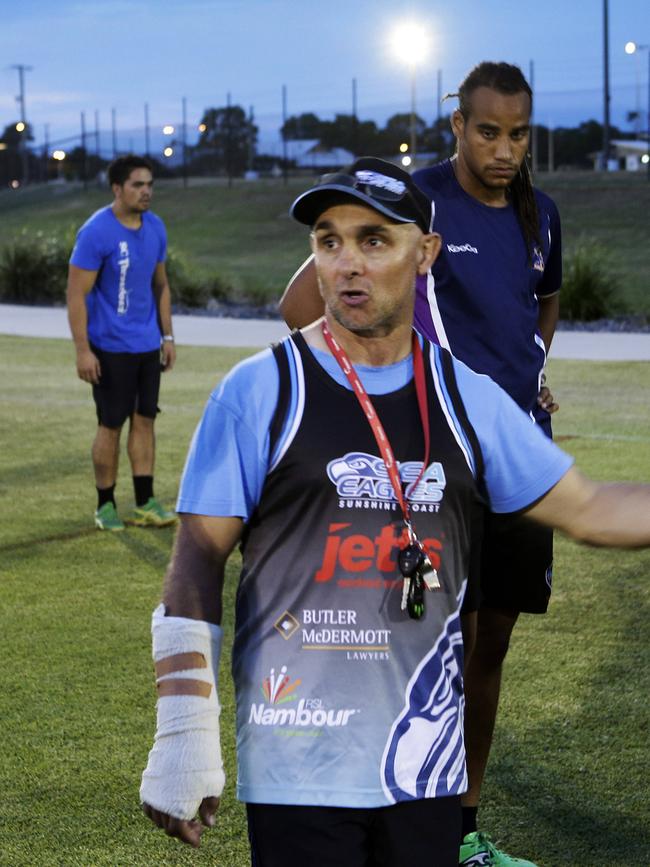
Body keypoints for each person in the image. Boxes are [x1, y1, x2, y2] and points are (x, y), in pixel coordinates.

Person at [140, 159, 650, 867]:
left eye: (374, 240)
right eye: (329, 240)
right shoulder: (260, 390)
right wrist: (184, 730)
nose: (347, 263)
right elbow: (196, 560)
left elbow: (593, 509)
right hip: (298, 762)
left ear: (425, 253)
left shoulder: (464, 395)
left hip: (425, 768)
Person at [279, 63, 561, 866]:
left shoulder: (544, 216)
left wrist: (531, 369)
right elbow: (304, 304)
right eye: (487, 131)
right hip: (437, 465)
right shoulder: (416, 201)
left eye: (518, 134)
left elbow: (542, 300)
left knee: (491, 644)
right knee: (424, 647)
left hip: (517, 458)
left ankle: (463, 826)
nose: (504, 149)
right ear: (457, 126)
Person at [67, 154, 177, 532]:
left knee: (145, 422)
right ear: (117, 188)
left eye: (149, 184)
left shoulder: (156, 227)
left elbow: (161, 285)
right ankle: (106, 505)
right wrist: (83, 350)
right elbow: (75, 295)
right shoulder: (96, 232)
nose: (146, 191)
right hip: (109, 348)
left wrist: (167, 335)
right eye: (137, 185)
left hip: (146, 345)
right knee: (110, 425)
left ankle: (145, 502)